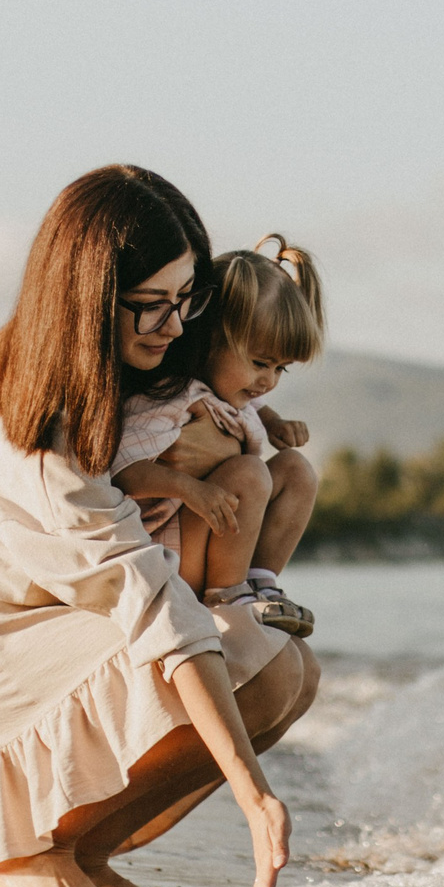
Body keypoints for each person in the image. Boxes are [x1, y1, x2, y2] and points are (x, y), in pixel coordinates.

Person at [0, 165, 318, 887]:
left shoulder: (131, 385)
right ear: (88, 300)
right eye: (150, 306)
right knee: (264, 665)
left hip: (64, 629)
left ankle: (82, 851)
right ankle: (27, 851)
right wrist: (253, 794)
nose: (174, 327)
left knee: (296, 671)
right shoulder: (28, 427)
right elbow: (153, 597)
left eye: (186, 301)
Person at [108, 236, 324, 639]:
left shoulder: (230, 397)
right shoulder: (172, 397)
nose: (269, 381)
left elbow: (254, 409)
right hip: (174, 551)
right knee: (248, 473)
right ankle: (227, 597)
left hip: (214, 535)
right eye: (260, 363)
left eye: (281, 369)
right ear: (210, 340)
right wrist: (187, 488)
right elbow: (123, 470)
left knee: (296, 470)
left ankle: (260, 581)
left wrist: (276, 424)